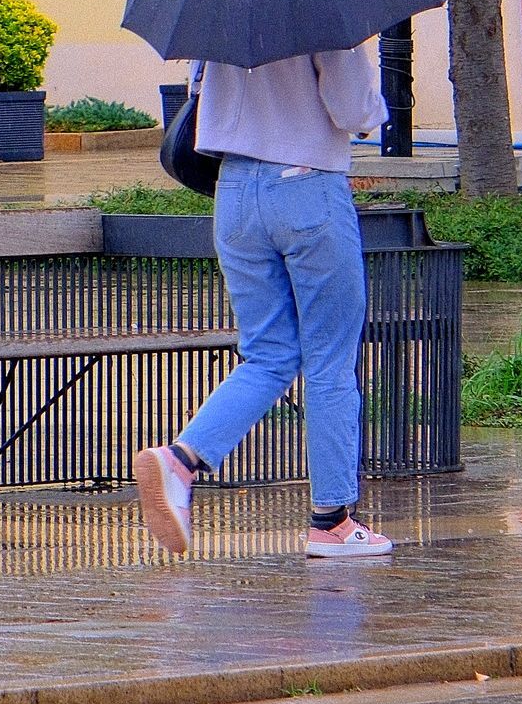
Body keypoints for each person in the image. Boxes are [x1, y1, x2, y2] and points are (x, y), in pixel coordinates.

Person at [134, 43, 395, 558]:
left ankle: (181, 459)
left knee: (269, 353)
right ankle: (332, 521)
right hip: (306, 186)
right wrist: (376, 107)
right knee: (329, 360)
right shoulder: (324, 7)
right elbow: (351, 108)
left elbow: (198, 94)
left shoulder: (221, 12)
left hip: (233, 193)